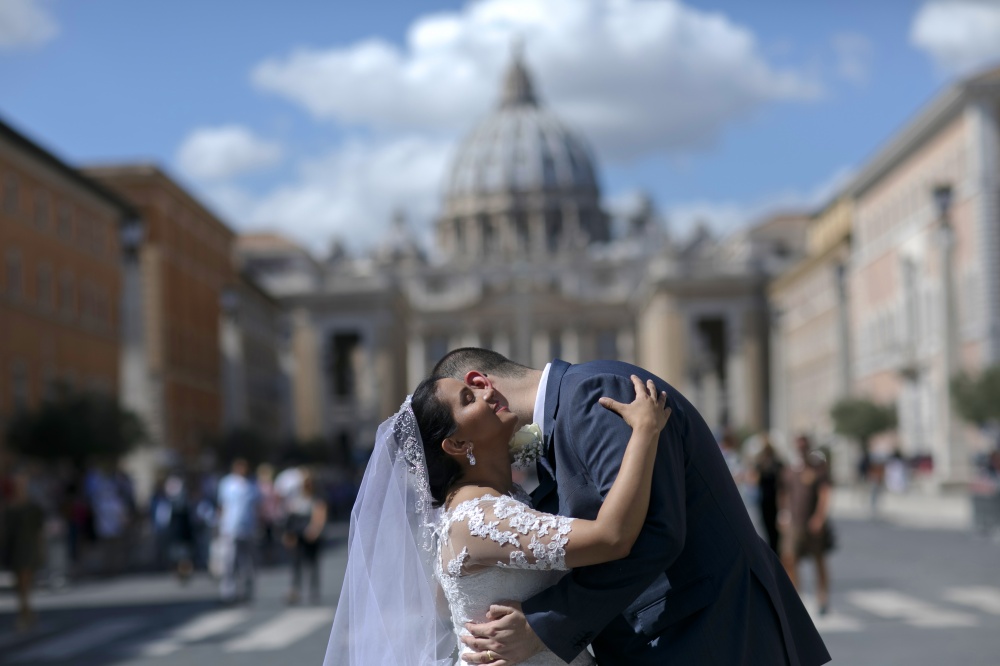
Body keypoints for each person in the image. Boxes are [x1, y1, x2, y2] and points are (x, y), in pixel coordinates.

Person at [432, 349, 829, 666]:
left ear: (482, 384)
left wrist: (542, 626)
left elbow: (652, 532)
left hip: (705, 634)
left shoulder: (597, 395)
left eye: (469, 396)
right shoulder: (560, 420)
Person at [326, 373, 671, 665]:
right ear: (458, 443)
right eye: (468, 397)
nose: (488, 391)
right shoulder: (478, 516)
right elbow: (612, 537)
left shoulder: (497, 500)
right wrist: (644, 430)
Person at [779, 435, 834, 616]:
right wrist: (783, 513)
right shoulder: (789, 470)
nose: (801, 449)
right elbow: (784, 493)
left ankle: (822, 597)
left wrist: (819, 517)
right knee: (790, 558)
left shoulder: (818, 469)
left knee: (819, 559)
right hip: (794, 523)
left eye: (804, 446)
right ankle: (797, 596)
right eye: (798, 446)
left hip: (813, 524)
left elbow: (825, 493)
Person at [1, 471, 46, 632]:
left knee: (26, 581)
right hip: (14, 548)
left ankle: (25, 613)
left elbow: (40, 530)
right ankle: (27, 612)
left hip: (29, 547)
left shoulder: (33, 507)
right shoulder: (10, 507)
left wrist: (41, 550)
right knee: (18, 583)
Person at [216, 458, 260, 603]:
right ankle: (227, 592)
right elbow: (221, 506)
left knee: (247, 561)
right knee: (229, 562)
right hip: (230, 528)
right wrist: (220, 526)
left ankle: (247, 590)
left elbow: (256, 507)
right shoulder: (227, 484)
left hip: (248, 528)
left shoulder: (252, 485)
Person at [283, 469, 327, 605]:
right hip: (298, 535)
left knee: (312, 563)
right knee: (295, 564)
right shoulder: (296, 499)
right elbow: (290, 518)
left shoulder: (317, 498)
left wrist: (315, 529)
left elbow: (320, 515)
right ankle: (295, 590)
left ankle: (313, 591)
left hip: (311, 535)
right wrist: (288, 534)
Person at [754, 434, 785, 554]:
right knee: (768, 532)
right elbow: (754, 480)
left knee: (775, 533)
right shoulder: (761, 464)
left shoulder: (777, 464)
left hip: (775, 501)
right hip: (765, 501)